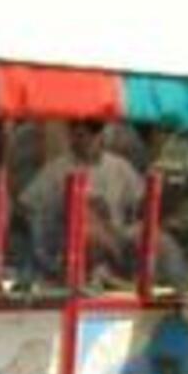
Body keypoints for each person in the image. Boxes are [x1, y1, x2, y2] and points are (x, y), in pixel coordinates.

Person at [19, 120, 145, 285]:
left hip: (116, 244)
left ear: (100, 136)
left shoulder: (120, 168)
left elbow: (142, 203)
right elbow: (27, 205)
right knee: (85, 220)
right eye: (75, 136)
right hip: (70, 250)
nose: (78, 141)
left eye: (84, 136)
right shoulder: (57, 169)